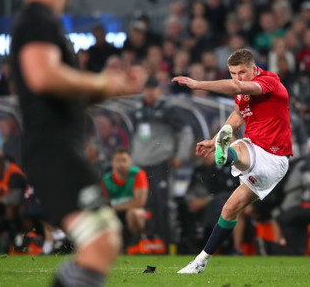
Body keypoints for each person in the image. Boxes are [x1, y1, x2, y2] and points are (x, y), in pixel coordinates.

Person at [10, 0, 144, 287]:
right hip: (52, 152)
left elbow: (55, 88)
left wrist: (109, 87)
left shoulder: (38, 20)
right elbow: (42, 77)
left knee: (104, 239)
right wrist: (101, 83)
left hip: (56, 150)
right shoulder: (38, 19)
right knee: (101, 242)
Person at [173, 48, 292, 274]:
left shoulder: (269, 82)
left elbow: (237, 87)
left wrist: (197, 84)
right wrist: (213, 139)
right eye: (233, 73)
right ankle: (199, 262)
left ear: (254, 69)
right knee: (229, 209)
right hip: (259, 161)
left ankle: (227, 154)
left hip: (271, 156)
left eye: (242, 72)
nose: (237, 78)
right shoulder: (243, 91)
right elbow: (238, 114)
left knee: (238, 144)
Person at [131, 77, 194, 247]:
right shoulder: (138, 110)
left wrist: (180, 156)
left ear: (159, 91)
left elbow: (186, 132)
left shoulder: (169, 109)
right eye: (147, 88)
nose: (150, 92)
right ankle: (143, 243)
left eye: (153, 88)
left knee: (162, 203)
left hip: (160, 163)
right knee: (143, 204)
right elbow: (135, 138)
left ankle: (166, 243)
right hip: (140, 165)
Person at [101, 148, 148, 244]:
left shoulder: (138, 174)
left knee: (136, 213)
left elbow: (139, 203)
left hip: (129, 211)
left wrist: (115, 207)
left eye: (124, 160)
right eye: (118, 160)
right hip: (114, 214)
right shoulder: (106, 179)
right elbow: (103, 202)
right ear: (112, 163)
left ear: (130, 161)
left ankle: (136, 242)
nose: (121, 164)